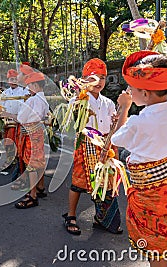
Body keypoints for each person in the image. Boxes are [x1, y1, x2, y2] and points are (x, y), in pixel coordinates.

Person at [111, 50, 167, 266]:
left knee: (155, 246)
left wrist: (124, 108)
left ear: (145, 93)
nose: (129, 92)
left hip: (149, 195)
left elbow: (115, 139)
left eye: (131, 89)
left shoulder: (137, 122)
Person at [62, 58, 123, 236]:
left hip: (106, 145)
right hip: (86, 144)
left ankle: (104, 218)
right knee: (78, 182)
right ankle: (71, 216)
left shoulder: (108, 102)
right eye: (93, 77)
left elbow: (115, 127)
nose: (99, 82)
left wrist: (115, 122)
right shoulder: (77, 99)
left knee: (107, 183)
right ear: (84, 79)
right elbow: (73, 121)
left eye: (102, 77)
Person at [3, 71, 49, 209]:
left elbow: (21, 118)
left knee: (31, 164)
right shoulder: (43, 99)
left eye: (29, 85)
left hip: (29, 132)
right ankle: (40, 188)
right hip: (38, 131)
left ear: (35, 85)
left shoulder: (32, 100)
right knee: (38, 160)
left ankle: (32, 195)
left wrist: (7, 114)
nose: (28, 88)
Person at [0, 69, 28, 169]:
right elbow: (0, 106)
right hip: (7, 121)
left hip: (18, 120)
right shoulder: (5, 93)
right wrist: (4, 115)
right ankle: (9, 159)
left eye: (15, 79)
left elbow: (25, 107)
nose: (13, 81)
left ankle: (17, 159)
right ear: (8, 80)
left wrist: (17, 117)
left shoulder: (23, 92)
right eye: (11, 79)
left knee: (16, 141)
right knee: (7, 140)